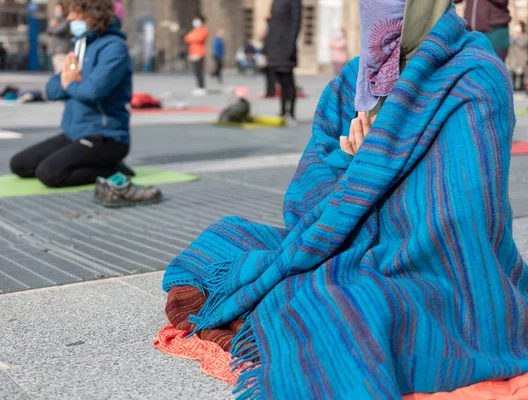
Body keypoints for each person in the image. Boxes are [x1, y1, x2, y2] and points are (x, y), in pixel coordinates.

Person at [159, 0, 528, 398]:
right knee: (229, 241)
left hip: (443, 265)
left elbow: (462, 220)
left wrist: (373, 162)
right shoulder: (354, 80)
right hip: (346, 241)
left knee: (352, 313)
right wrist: (351, 163)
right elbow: (302, 199)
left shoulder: (475, 76)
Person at [10, 0, 135, 189]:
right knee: (20, 164)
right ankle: (96, 163)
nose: (69, 18)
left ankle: (112, 169)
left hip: (105, 137)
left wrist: (68, 83)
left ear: (92, 12)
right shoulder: (80, 45)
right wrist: (70, 83)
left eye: (74, 13)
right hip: (75, 133)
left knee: (49, 174)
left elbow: (94, 91)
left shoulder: (114, 48)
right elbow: (51, 90)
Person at [264, 0, 301, 123]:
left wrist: (290, 46)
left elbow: (296, 23)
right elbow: (272, 23)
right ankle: (282, 111)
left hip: (285, 46)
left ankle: (290, 112)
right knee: (279, 81)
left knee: (287, 80)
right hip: (274, 45)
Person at [184, 14, 208, 96]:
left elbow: (199, 39)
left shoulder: (203, 30)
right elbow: (187, 38)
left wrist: (192, 37)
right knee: (195, 71)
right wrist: (192, 37)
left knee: (199, 71)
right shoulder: (194, 30)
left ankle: (202, 87)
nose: (195, 22)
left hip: (199, 53)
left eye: (197, 20)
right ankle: (198, 87)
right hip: (193, 53)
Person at [47, 2, 72, 75]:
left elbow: (57, 31)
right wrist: (52, 25)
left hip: (63, 51)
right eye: (56, 10)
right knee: (57, 72)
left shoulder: (66, 21)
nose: (56, 12)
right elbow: (48, 31)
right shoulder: (57, 21)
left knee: (61, 73)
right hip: (56, 51)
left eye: (58, 10)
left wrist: (52, 26)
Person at [510, 22, 528, 91]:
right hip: (513, 58)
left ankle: (521, 86)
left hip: (521, 59)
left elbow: (522, 44)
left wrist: (517, 38)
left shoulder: (525, 36)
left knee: (521, 73)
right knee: (513, 73)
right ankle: (514, 86)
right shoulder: (512, 37)